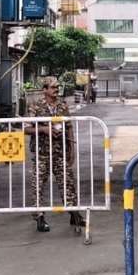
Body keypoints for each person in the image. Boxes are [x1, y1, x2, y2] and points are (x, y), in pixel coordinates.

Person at [25, 76, 83, 233]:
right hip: (42, 152)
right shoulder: (36, 106)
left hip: (59, 151)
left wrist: (72, 147)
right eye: (53, 87)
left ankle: (74, 213)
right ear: (44, 90)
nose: (56, 90)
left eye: (57, 87)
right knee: (38, 185)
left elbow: (69, 126)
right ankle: (40, 217)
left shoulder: (63, 106)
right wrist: (43, 129)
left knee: (67, 183)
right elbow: (26, 128)